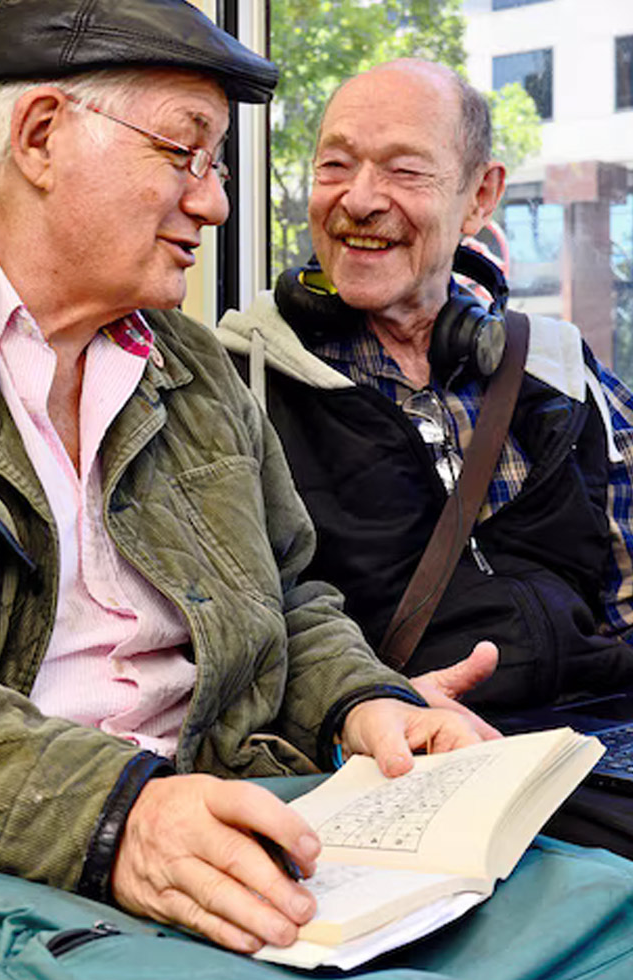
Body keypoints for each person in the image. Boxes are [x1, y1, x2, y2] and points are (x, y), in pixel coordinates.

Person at [0, 8, 633, 977]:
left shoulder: (193, 370)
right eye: (187, 153)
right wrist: (114, 810)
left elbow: (291, 598)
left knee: (607, 915)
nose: (214, 205)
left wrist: (367, 704)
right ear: (43, 135)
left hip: (244, 803)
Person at [219, 59, 633, 715]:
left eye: (403, 170)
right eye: (335, 166)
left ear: (481, 196)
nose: (358, 199)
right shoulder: (237, 383)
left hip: (593, 729)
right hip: (391, 752)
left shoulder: (561, 368)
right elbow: (237, 646)